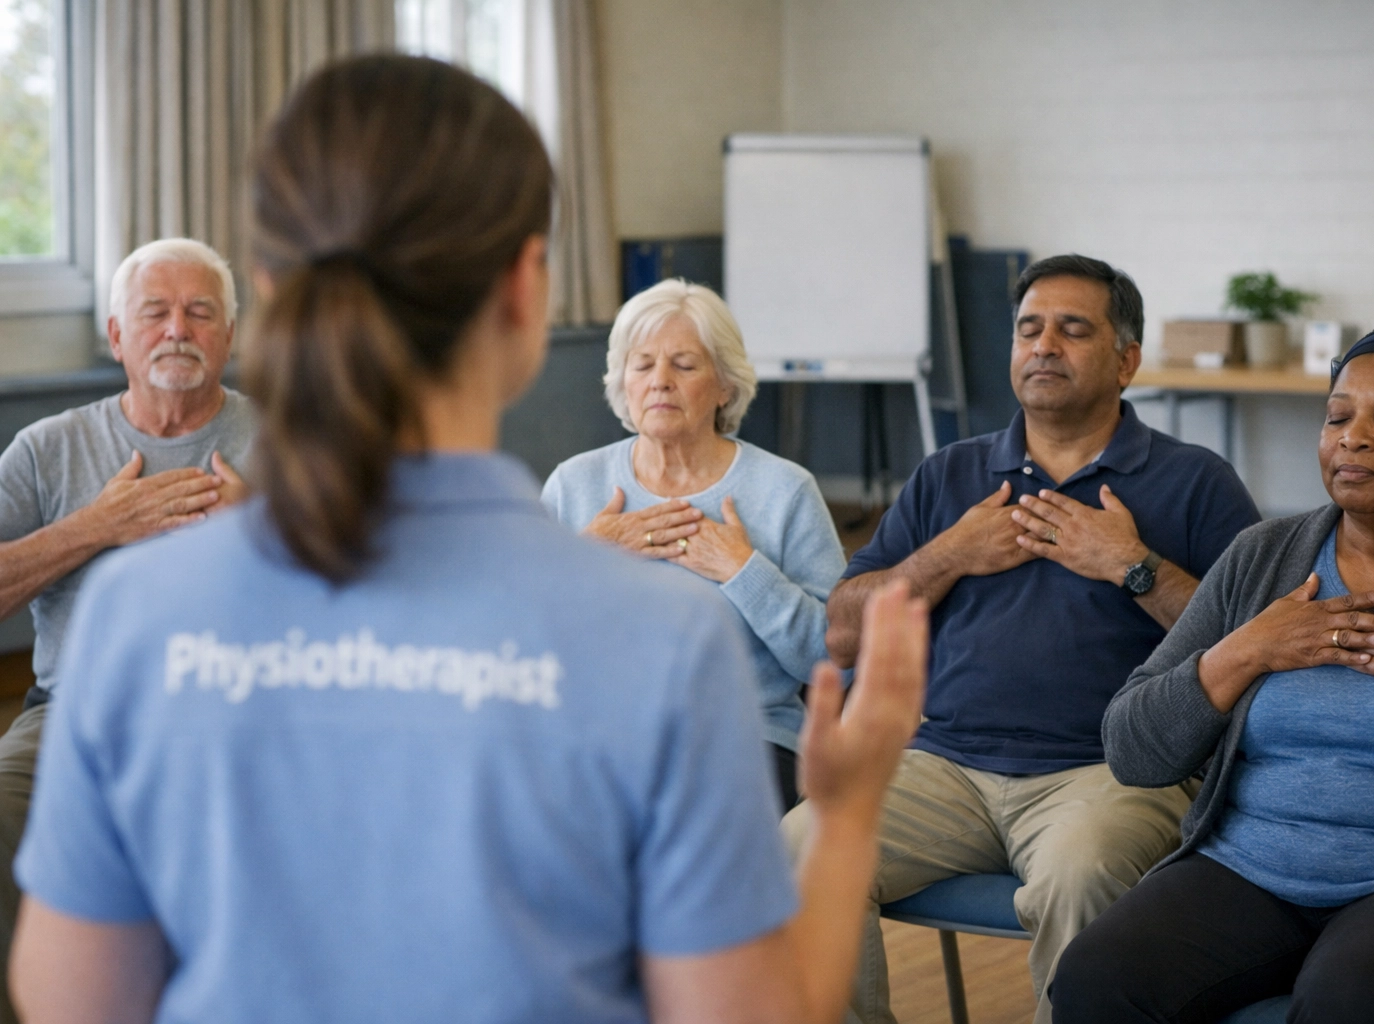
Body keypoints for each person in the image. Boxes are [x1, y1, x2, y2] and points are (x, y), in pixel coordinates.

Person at [8, 55, 930, 1024]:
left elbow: (73, 996)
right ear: (527, 295)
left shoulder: (137, 611)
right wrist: (848, 810)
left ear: (274, 293)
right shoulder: (658, 638)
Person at [785, 254, 1263, 1024]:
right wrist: (950, 554)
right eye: (1029, 329)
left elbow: (1253, 641)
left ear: (1126, 360)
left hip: (1110, 773)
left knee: (1081, 878)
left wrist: (1131, 566)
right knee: (797, 851)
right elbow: (841, 633)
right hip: (943, 764)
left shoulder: (1194, 480)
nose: (1044, 346)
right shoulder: (951, 473)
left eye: (1074, 330)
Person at [1053, 325, 1374, 1023]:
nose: (1352, 437)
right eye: (1337, 416)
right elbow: (1132, 749)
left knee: (1353, 1002)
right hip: (1248, 870)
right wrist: (1248, 650)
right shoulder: (1262, 558)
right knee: (1097, 977)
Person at [0, 236, 254, 1022]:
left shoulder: (295, 447)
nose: (177, 329)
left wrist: (262, 545)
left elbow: (362, 610)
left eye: (199, 312)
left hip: (239, 719)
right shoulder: (48, 449)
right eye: (154, 313)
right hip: (73, 716)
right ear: (117, 336)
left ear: (228, 337)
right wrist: (95, 527)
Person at [542, 278, 846, 812]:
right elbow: (526, 641)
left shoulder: (783, 490)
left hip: (744, 738)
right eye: (643, 365)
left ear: (725, 385)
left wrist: (744, 570)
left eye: (684, 365)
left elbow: (831, 659)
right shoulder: (574, 486)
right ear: (623, 382)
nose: (660, 381)